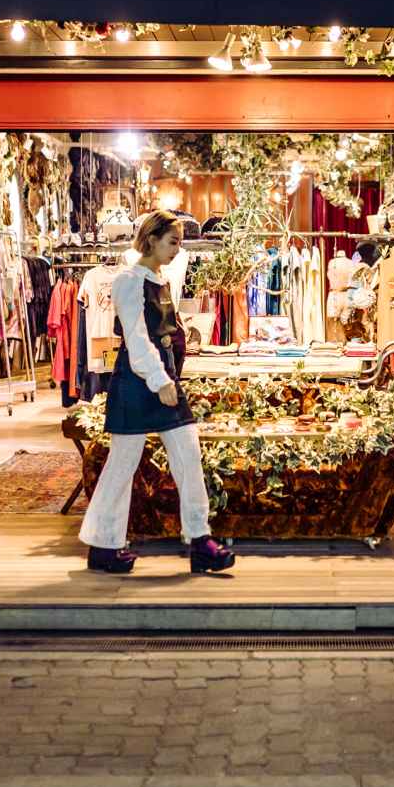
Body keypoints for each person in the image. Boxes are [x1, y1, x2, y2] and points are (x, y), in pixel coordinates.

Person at [78, 211, 236, 575]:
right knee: (122, 463)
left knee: (188, 454)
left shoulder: (157, 279)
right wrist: (160, 381)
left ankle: (200, 540)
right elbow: (136, 338)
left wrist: (168, 377)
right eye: (173, 242)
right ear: (151, 239)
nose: (179, 251)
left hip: (161, 381)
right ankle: (103, 544)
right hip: (140, 385)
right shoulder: (129, 281)